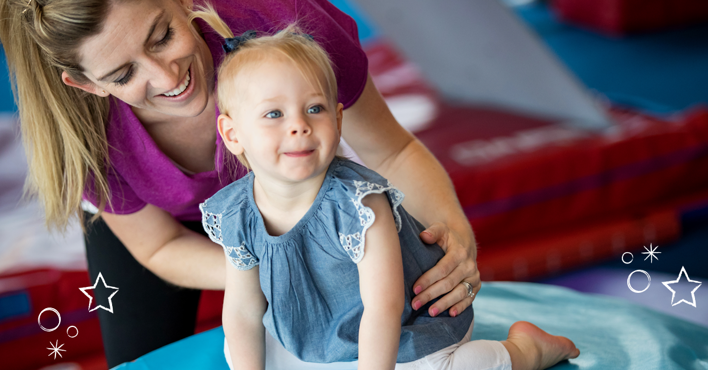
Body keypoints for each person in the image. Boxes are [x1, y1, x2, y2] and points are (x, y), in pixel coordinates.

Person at [0, 0, 483, 367]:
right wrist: (266, 270)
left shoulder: (287, 26)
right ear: (89, 85)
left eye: (163, 35)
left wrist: (452, 232)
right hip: (164, 232)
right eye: (124, 73)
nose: (166, 76)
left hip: (294, 212)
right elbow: (159, 246)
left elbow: (391, 151)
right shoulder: (84, 136)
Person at [196, 8, 580, 369]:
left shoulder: (359, 203)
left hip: (409, 327)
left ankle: (526, 349)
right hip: (319, 330)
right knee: (241, 347)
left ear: (338, 118)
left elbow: (383, 307)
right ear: (232, 134)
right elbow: (243, 309)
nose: (299, 125)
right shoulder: (237, 212)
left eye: (315, 108)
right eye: (274, 114)